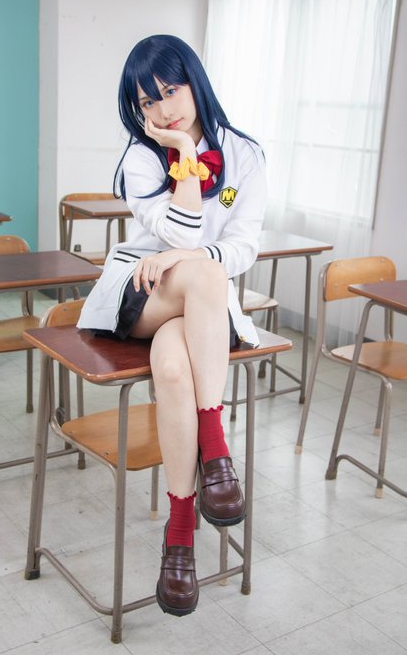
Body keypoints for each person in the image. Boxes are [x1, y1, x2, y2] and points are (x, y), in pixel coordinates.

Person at [77, 34, 267, 617]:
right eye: (148, 101)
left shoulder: (244, 155)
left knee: (175, 366)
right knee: (204, 276)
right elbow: (183, 231)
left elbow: (243, 246)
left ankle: (179, 531)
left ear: (194, 81)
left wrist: (191, 258)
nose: (163, 109)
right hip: (146, 290)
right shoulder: (142, 158)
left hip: (196, 308)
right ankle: (217, 450)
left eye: (171, 90)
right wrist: (182, 147)